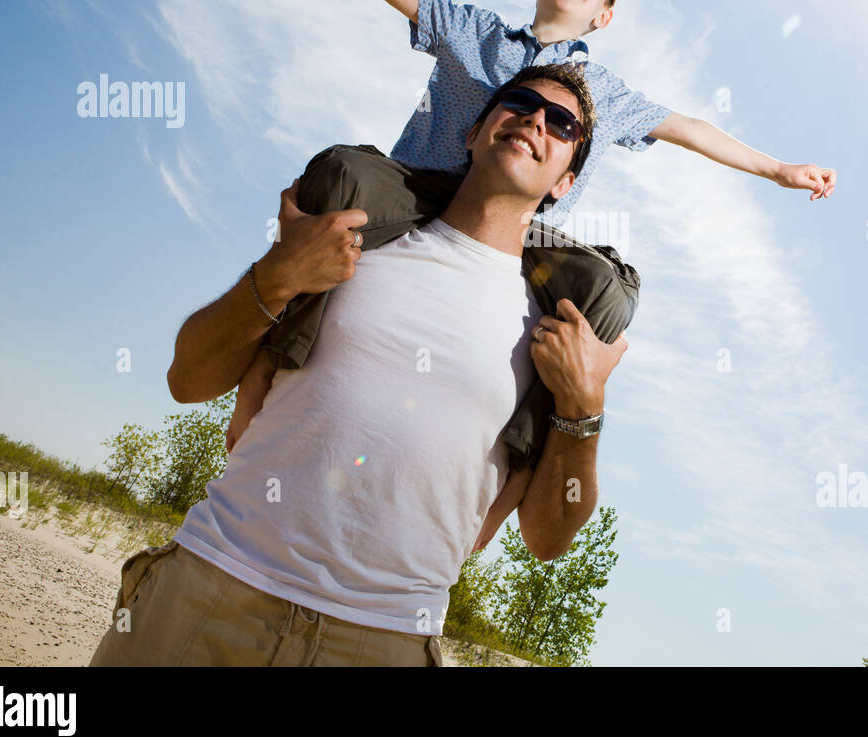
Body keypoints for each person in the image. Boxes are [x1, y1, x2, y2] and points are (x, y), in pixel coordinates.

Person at [212, 0, 838, 487]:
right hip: (417, 191)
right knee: (342, 173)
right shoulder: (475, 33)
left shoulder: (604, 92)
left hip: (514, 230)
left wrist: (777, 169)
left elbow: (689, 130)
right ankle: (269, 366)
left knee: (605, 294)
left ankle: (511, 476)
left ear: (603, 15)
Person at [91, 66, 626, 667]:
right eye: (521, 103)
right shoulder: (351, 237)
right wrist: (278, 275)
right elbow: (186, 380)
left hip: (384, 637)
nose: (534, 120)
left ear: (565, 181)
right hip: (214, 584)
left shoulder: (558, 327)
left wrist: (585, 405)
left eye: (561, 124)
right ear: (473, 134)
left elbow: (548, 538)